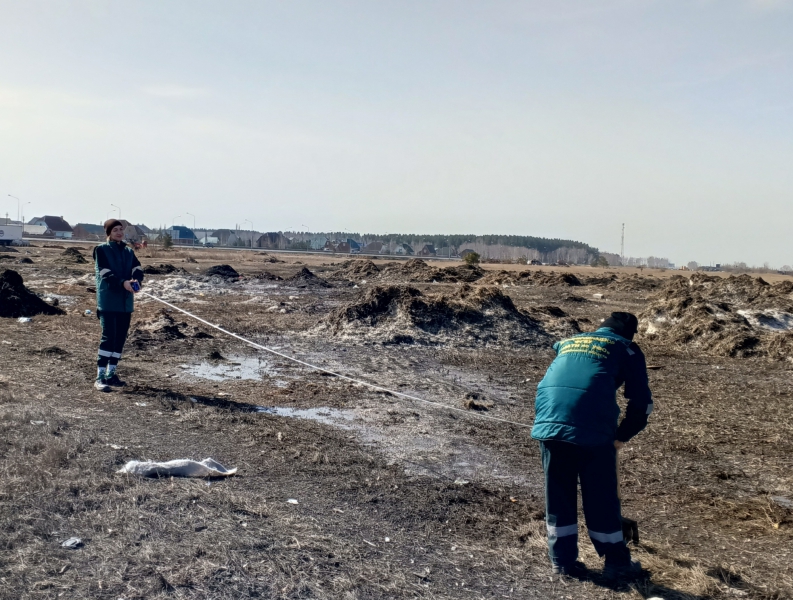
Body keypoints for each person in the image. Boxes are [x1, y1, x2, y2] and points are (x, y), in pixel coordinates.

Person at [531, 312, 653, 580]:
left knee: (558, 493)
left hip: (548, 422)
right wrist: (623, 435)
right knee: (600, 494)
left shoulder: (570, 342)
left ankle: (562, 562)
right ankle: (616, 562)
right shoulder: (627, 348)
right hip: (592, 427)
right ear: (629, 334)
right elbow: (641, 403)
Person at [92, 219, 144, 392]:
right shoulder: (101, 250)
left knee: (121, 337)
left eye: (121, 229)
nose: (119, 232)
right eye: (115, 230)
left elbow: (137, 268)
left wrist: (136, 281)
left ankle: (111, 374)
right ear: (109, 233)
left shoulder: (128, 251)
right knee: (109, 337)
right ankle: (100, 377)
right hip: (108, 301)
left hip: (125, 303)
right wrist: (123, 283)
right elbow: (105, 272)